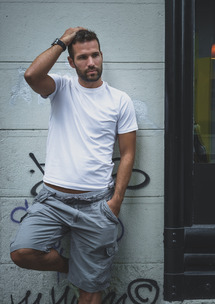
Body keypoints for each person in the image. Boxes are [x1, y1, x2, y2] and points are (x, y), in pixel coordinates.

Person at [10, 27, 138, 303]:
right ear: (71, 62)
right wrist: (63, 40)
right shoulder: (60, 87)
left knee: (90, 293)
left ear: (102, 56)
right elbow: (32, 75)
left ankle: (85, 275)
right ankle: (71, 267)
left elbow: (127, 154)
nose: (90, 62)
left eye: (95, 55)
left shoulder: (120, 100)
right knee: (22, 251)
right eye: (82, 57)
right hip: (53, 200)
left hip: (97, 206)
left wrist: (115, 202)